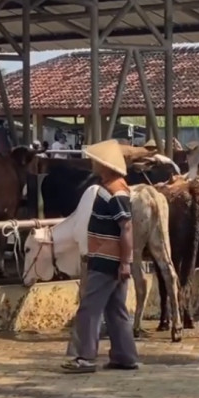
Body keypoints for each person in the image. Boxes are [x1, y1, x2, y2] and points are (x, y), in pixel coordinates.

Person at [61, 140, 139, 373]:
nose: (93, 164)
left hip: (107, 260)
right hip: (113, 260)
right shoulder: (116, 189)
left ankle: (82, 357)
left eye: (96, 161)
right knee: (115, 309)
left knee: (89, 308)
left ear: (105, 166)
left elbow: (126, 227)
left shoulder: (113, 193)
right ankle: (124, 356)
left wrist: (124, 261)